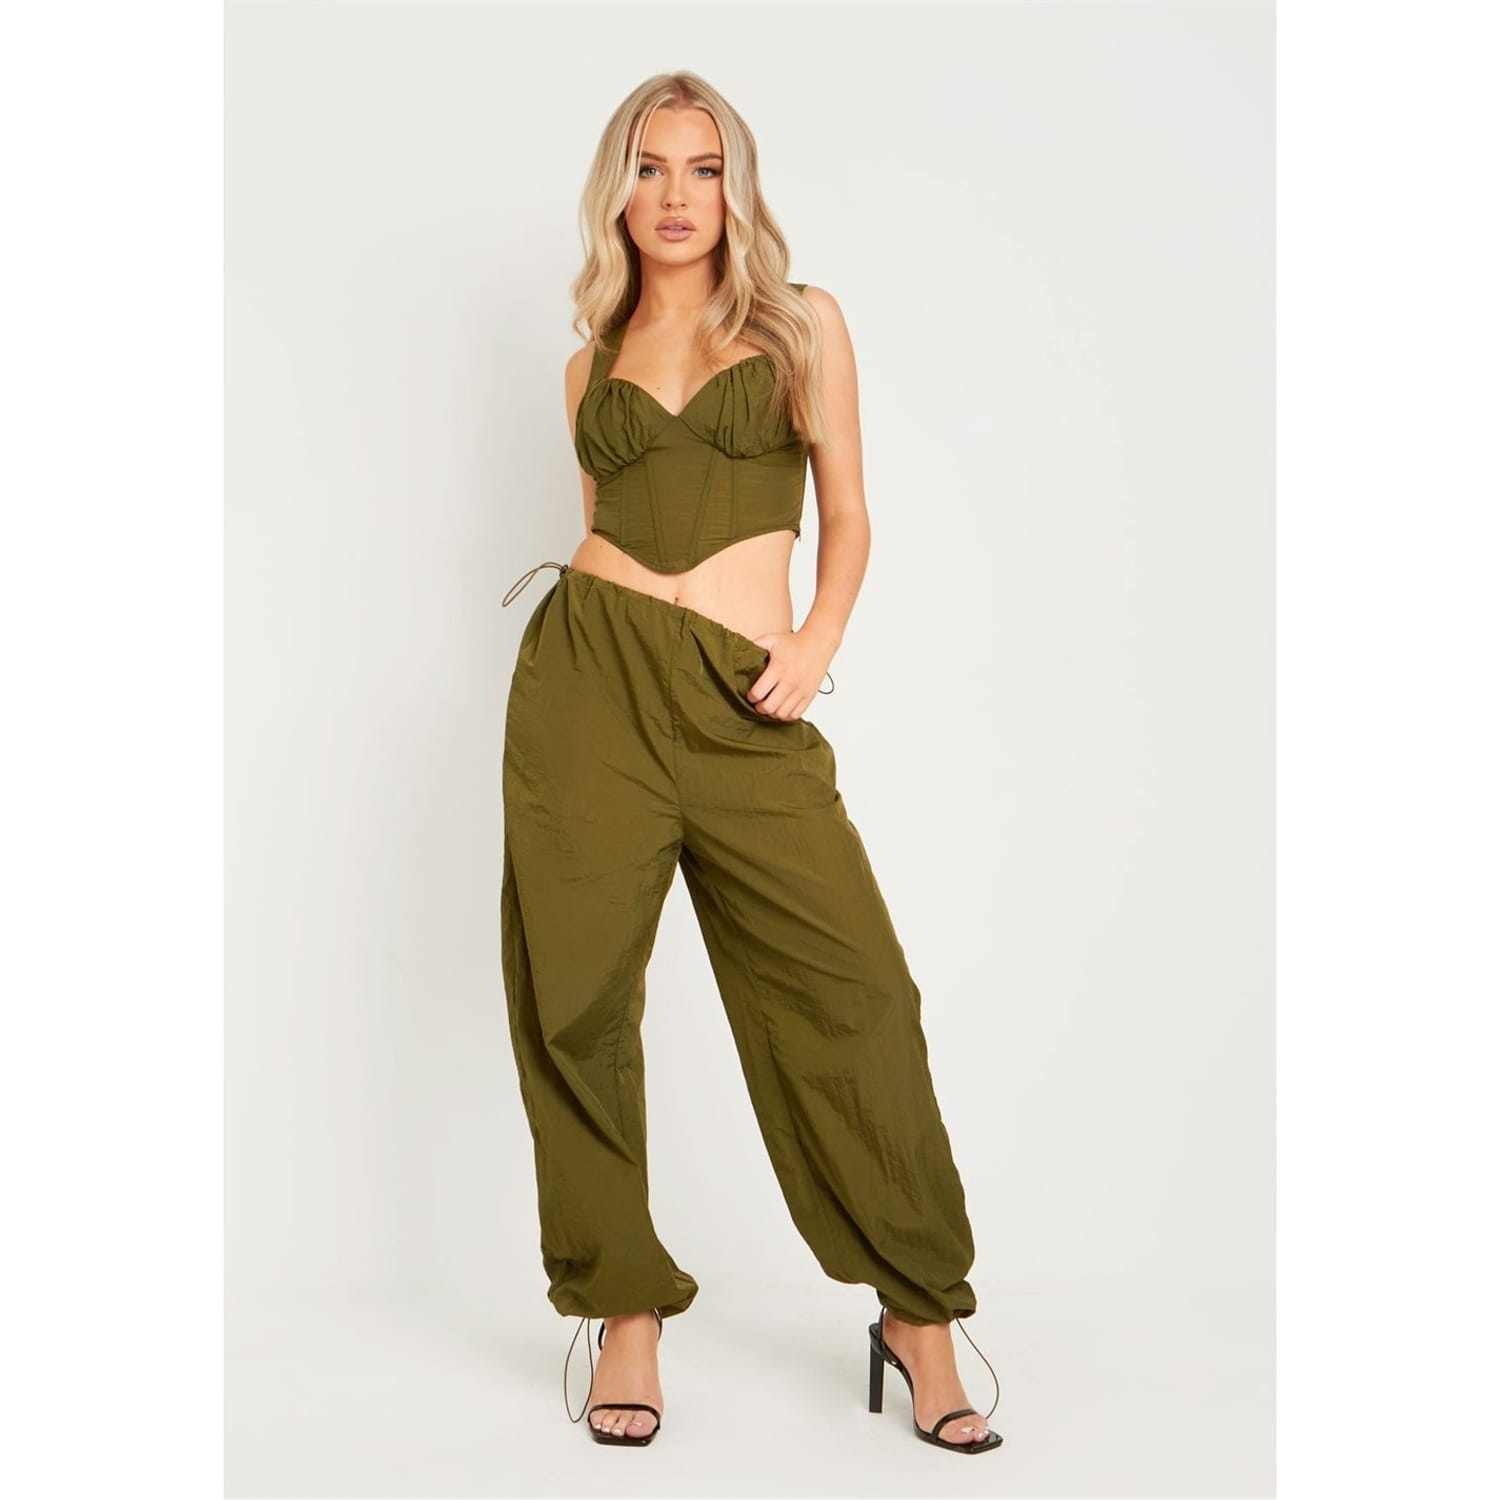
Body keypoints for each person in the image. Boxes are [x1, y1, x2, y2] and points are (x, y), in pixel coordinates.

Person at [500, 71, 1002, 1456]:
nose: (676, 196)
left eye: (704, 168)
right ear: (618, 191)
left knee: (857, 996)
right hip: (588, 686)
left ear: (738, 188)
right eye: (650, 168)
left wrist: (815, 637)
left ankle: (918, 1316)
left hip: (747, 699)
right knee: (576, 1002)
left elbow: (849, 516)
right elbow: (605, 520)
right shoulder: (585, 365)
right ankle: (625, 1314)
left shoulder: (801, 324)